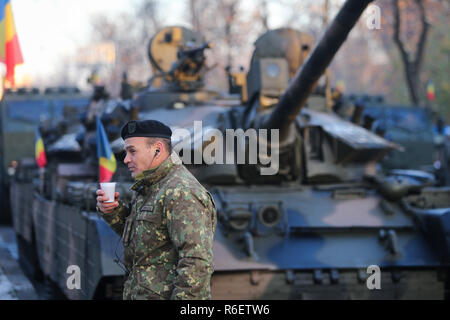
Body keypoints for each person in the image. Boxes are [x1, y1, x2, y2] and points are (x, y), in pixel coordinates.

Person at [96, 119, 217, 300]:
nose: (126, 159)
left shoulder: (181, 192)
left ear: (157, 149)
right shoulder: (152, 186)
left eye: (132, 151)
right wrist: (112, 211)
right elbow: (145, 240)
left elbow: (196, 263)